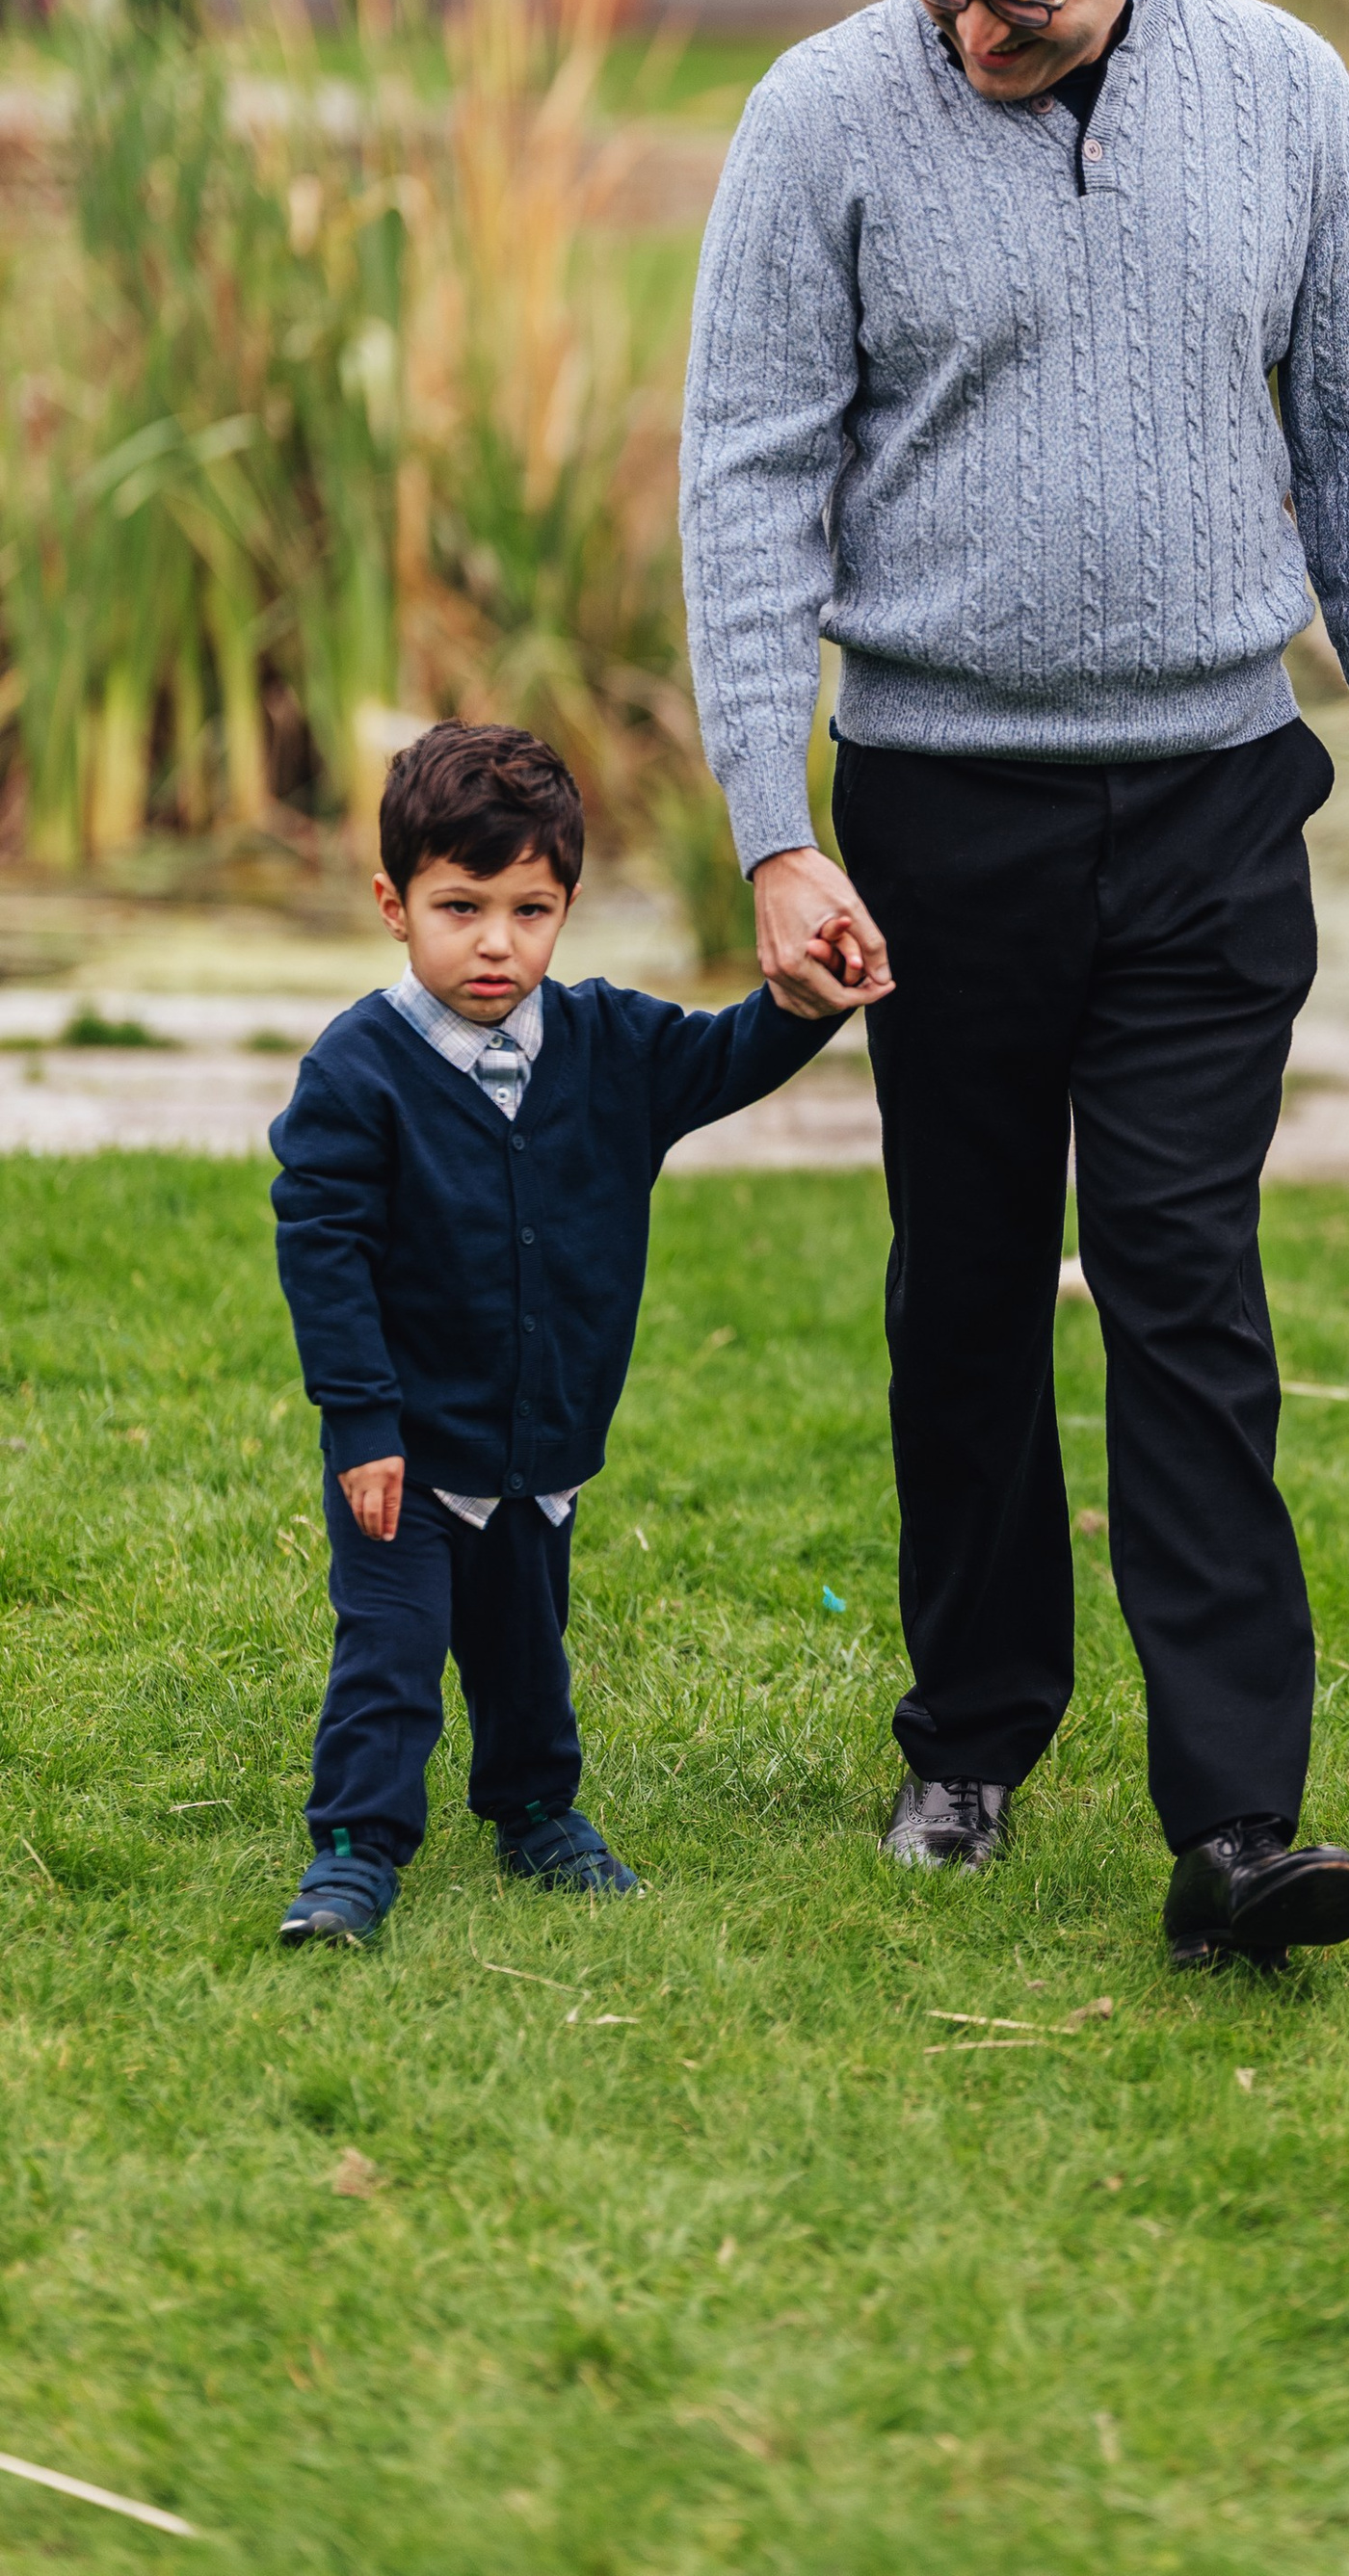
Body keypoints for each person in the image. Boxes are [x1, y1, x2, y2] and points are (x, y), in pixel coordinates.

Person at [678, 0, 1349, 1970]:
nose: (968, 30)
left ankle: (1236, 1821)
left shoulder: (1284, 93)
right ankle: (968, 1736)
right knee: (962, 1283)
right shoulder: (820, 118)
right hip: (938, 806)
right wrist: (771, 829)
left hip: (1214, 798)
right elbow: (744, 482)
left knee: (1180, 1284)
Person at [267, 723, 844, 1948]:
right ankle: (354, 1853)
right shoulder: (357, 1074)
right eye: (460, 907)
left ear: (567, 907)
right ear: (393, 905)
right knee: (392, 1654)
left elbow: (730, 1054)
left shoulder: (610, 1046)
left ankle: (537, 1814)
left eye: (529, 911)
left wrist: (805, 1001)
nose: (496, 942)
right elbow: (324, 1255)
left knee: (527, 1649)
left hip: (544, 1443)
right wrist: (361, 1424)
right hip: (406, 1454)